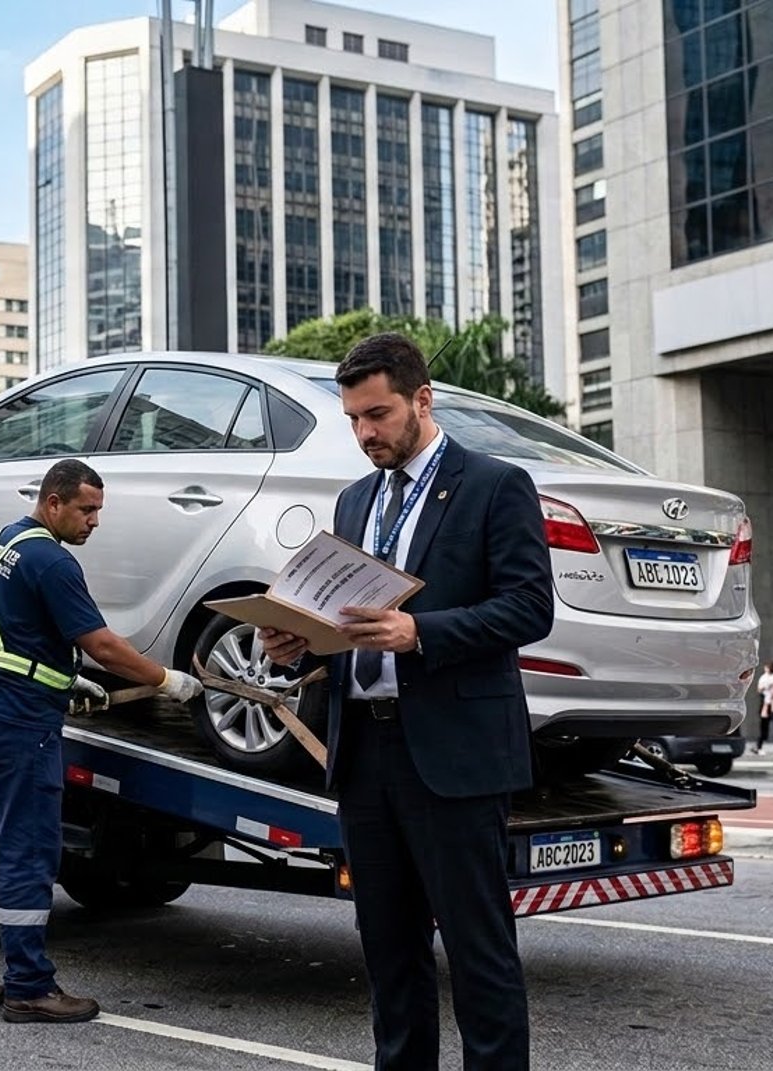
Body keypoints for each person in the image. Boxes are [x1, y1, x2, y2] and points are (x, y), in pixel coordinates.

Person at [260, 333, 553, 1070]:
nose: (365, 434)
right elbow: (346, 617)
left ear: (423, 400)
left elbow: (529, 608)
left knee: (479, 954)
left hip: (454, 756)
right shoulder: (356, 499)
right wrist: (299, 642)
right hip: (363, 753)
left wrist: (421, 630)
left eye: (379, 415)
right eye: (354, 419)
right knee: (389, 956)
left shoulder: (495, 484)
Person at [0, 458, 204, 1025]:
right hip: (17, 719)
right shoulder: (52, 560)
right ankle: (28, 986)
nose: (95, 522)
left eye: (99, 509)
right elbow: (103, 645)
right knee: (27, 849)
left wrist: (60, 672)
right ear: (53, 503)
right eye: (87, 509)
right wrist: (164, 679)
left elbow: (14, 627)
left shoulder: (3, 541)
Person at [753, 662, 773, 755]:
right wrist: (765, 687)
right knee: (763, 726)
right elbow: (759, 689)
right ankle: (759, 746)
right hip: (765, 703)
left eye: (767, 668)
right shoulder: (763, 677)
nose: (766, 669)